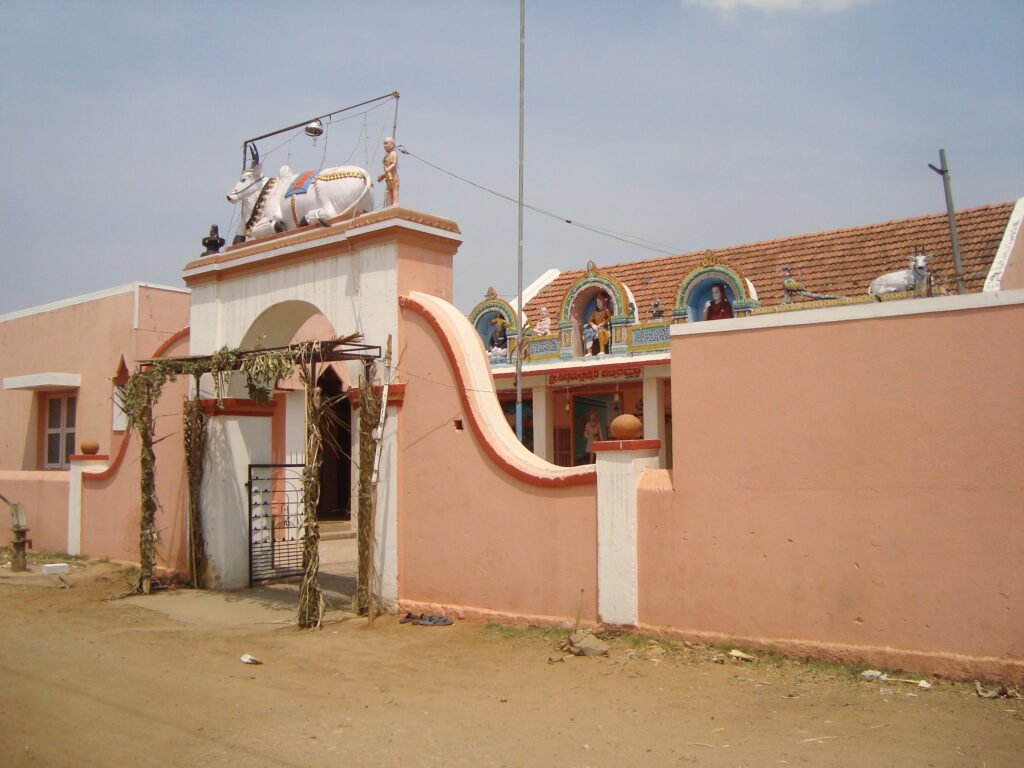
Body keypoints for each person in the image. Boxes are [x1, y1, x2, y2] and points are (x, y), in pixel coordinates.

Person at [378, 137, 399, 206]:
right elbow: (386, 170)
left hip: (394, 177)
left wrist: (388, 168)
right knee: (388, 191)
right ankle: (389, 204)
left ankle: (395, 203)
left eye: (386, 143)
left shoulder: (393, 153)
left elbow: (394, 164)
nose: (384, 145)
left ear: (392, 145)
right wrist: (382, 176)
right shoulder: (386, 157)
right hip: (388, 178)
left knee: (394, 189)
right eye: (384, 144)